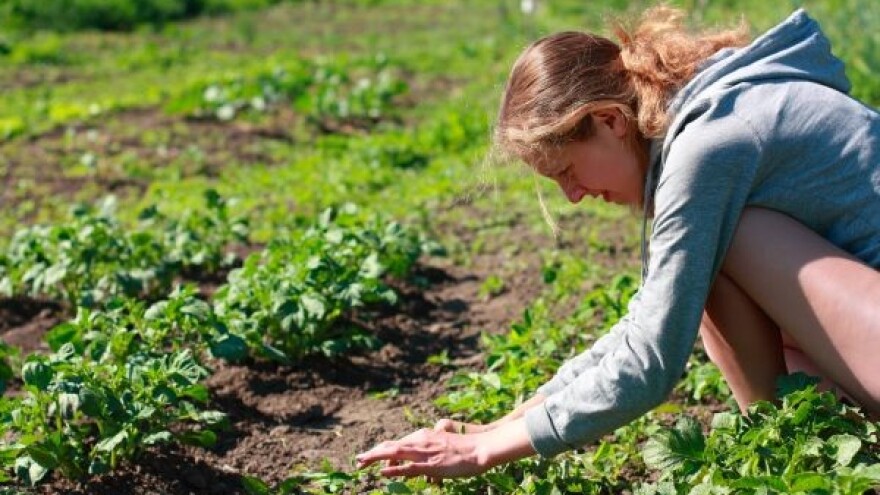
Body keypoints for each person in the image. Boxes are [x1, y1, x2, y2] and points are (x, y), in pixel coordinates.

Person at [356, 6, 880, 479]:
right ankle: (793, 448)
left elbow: (650, 358)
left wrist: (485, 453)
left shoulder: (710, 147)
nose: (575, 196)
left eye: (567, 172)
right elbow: (646, 323)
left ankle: (788, 456)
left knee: (731, 243)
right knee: (708, 263)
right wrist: (497, 426)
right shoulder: (700, 119)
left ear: (608, 120)